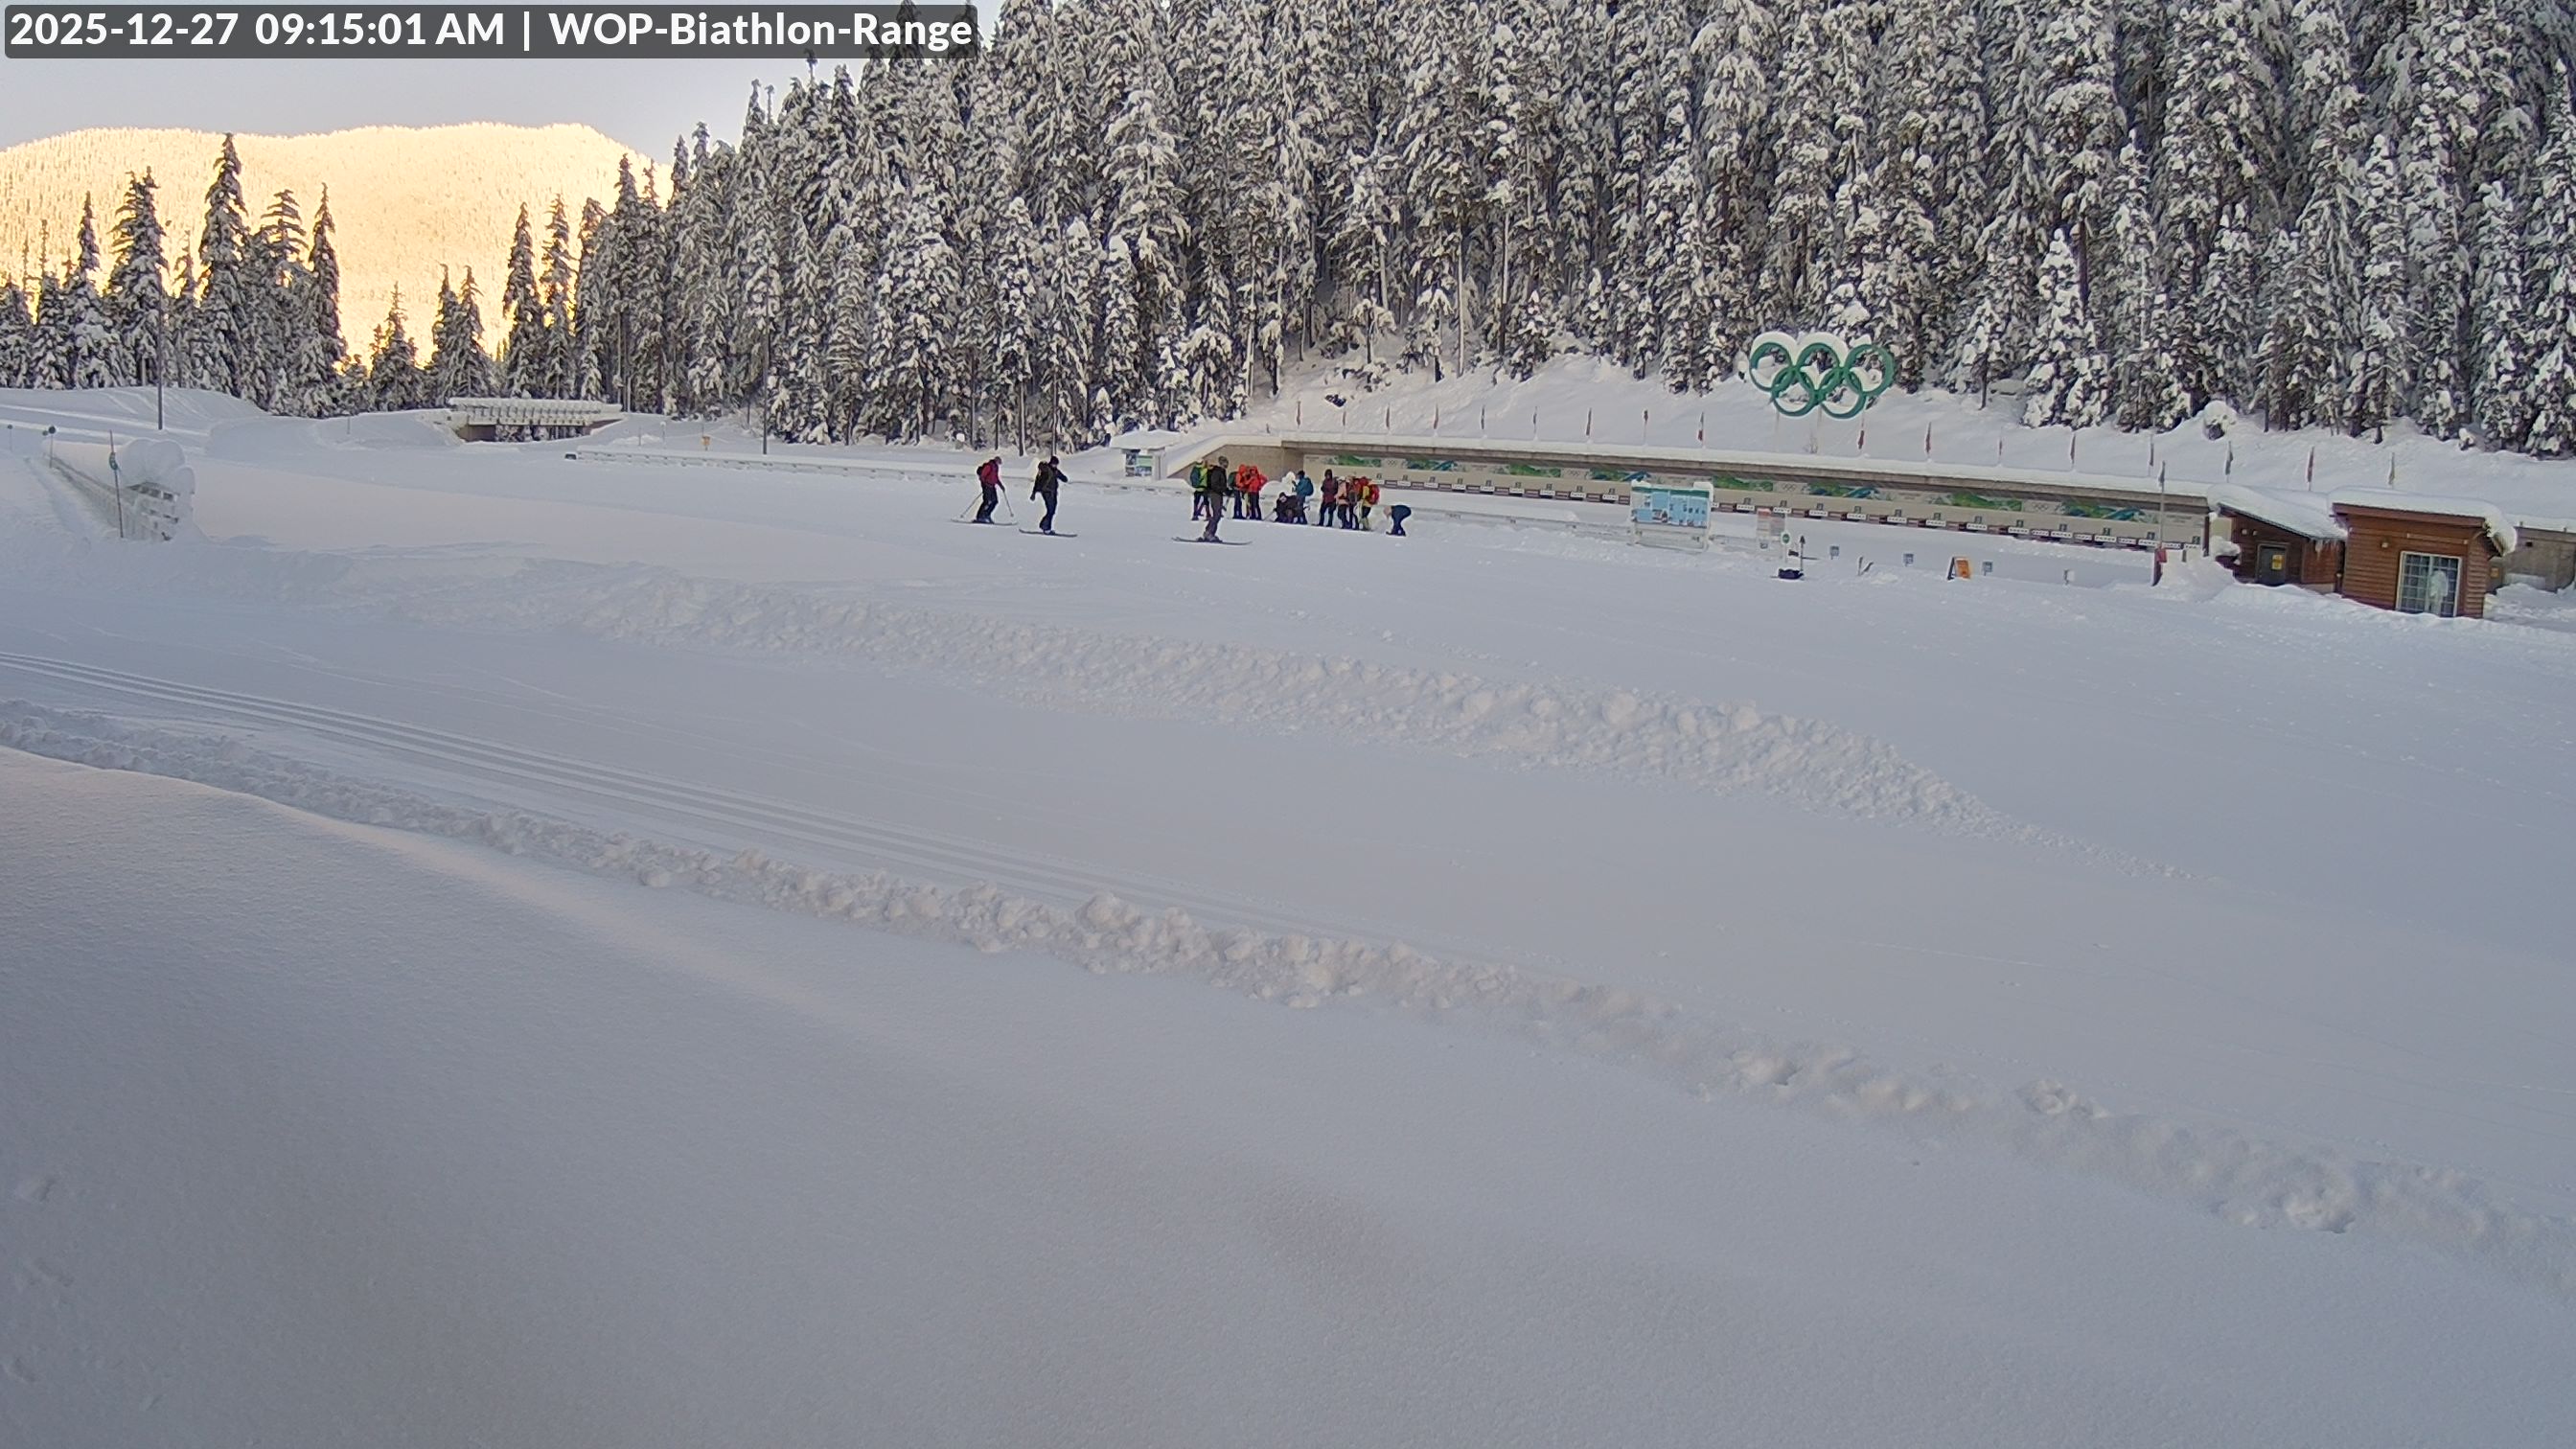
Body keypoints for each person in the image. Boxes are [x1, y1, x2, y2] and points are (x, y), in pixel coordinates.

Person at [1030, 454, 1064, 532]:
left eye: (1056, 464)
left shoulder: (1055, 471)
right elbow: (1038, 481)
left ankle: (1044, 525)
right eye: (1055, 464)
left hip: (1053, 492)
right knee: (1050, 510)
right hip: (1047, 493)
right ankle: (1046, 528)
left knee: (1052, 511)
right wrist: (1034, 492)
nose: (1056, 466)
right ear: (1051, 463)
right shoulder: (1046, 470)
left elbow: (1063, 477)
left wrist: (1063, 477)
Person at [975, 455, 1002, 522]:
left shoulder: (996, 468)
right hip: (987, 486)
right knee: (986, 501)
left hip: (992, 486)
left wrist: (1001, 485)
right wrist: (985, 485)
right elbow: (982, 476)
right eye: (999, 462)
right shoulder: (989, 466)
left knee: (995, 501)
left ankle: (987, 515)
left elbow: (996, 478)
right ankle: (979, 517)